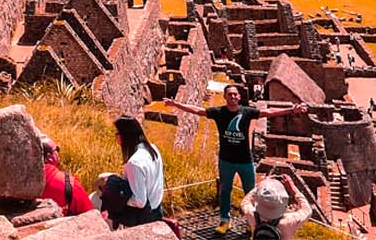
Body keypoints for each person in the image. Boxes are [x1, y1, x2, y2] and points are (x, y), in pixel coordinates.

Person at [166, 84, 306, 231]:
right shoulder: (219, 112)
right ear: (225, 96)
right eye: (230, 94)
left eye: (235, 94)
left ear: (239, 97)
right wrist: (176, 104)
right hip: (226, 160)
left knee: (251, 193)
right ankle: (224, 220)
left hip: (245, 160)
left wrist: (291, 110)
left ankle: (251, 221)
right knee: (225, 191)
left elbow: (268, 112)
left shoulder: (246, 112)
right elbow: (198, 110)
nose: (233, 97)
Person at [113, 117, 165, 227]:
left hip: (143, 218)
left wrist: (119, 197)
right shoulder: (153, 148)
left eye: (117, 133)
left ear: (125, 135)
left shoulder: (134, 163)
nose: (116, 136)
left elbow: (140, 201)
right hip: (157, 209)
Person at [244, 174, 311, 240]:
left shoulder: (252, 215)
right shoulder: (289, 221)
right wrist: (293, 189)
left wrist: (261, 186)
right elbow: (307, 210)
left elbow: (246, 201)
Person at [39, 136, 95, 216]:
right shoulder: (70, 185)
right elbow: (91, 217)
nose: (58, 152)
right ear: (49, 157)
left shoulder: (18, 184)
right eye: (57, 149)